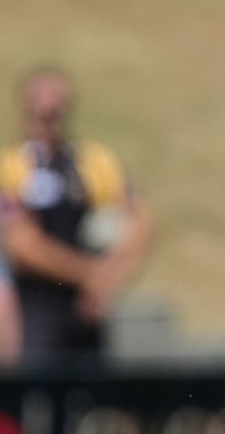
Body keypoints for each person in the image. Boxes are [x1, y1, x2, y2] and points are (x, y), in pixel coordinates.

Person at [0, 67, 153, 365]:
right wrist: (91, 275)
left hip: (90, 306)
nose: (49, 118)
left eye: (56, 111)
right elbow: (22, 245)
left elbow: (141, 221)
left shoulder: (92, 161)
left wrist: (111, 279)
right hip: (36, 306)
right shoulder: (12, 166)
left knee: (90, 384)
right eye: (42, 111)